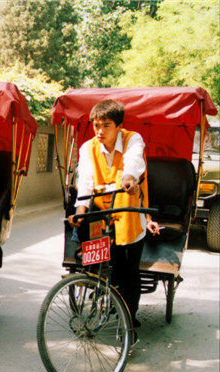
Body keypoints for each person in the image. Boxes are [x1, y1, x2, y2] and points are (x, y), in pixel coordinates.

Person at [68, 100, 160, 342]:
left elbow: (134, 162)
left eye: (106, 126)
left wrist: (129, 178)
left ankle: (129, 325)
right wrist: (79, 210)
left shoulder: (133, 139)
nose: (99, 131)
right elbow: (86, 181)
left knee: (128, 273)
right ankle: (90, 266)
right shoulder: (88, 148)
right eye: (96, 125)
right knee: (101, 259)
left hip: (130, 216)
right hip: (101, 214)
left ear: (119, 126)